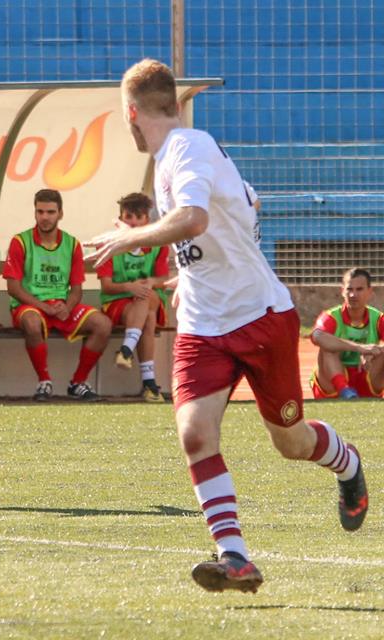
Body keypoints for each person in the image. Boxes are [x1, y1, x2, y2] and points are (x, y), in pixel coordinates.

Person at [87, 58, 368, 594]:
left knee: (290, 441)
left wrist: (130, 237)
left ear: (130, 113)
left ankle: (348, 463)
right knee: (195, 433)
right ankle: (234, 556)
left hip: (260, 316)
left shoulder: (188, 149)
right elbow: (235, 206)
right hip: (201, 323)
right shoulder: (186, 152)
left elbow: (193, 219)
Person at [3, 188, 112, 401]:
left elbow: (77, 289)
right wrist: (44, 306)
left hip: (61, 306)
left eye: (50, 212)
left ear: (60, 214)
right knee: (33, 323)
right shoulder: (20, 241)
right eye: (40, 211)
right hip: (30, 307)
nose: (45, 217)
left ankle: (78, 383)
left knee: (103, 324)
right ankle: (44, 382)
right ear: (34, 213)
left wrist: (67, 307)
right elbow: (13, 288)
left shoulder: (72, 243)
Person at [96, 191, 171, 402]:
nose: (134, 222)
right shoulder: (109, 245)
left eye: (139, 217)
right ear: (120, 219)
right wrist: (130, 286)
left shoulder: (157, 244)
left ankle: (126, 350)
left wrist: (150, 283)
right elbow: (107, 286)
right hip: (116, 304)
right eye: (129, 217)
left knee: (146, 297)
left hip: (149, 300)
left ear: (147, 219)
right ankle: (149, 384)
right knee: (148, 316)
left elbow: (163, 278)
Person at [310, 268, 384, 400]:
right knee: (327, 346)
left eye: (359, 289)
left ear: (370, 291)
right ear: (342, 291)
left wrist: (374, 352)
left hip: (368, 376)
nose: (353, 295)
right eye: (349, 289)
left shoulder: (378, 318)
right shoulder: (330, 316)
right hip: (334, 382)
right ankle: (345, 391)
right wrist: (359, 348)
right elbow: (317, 336)